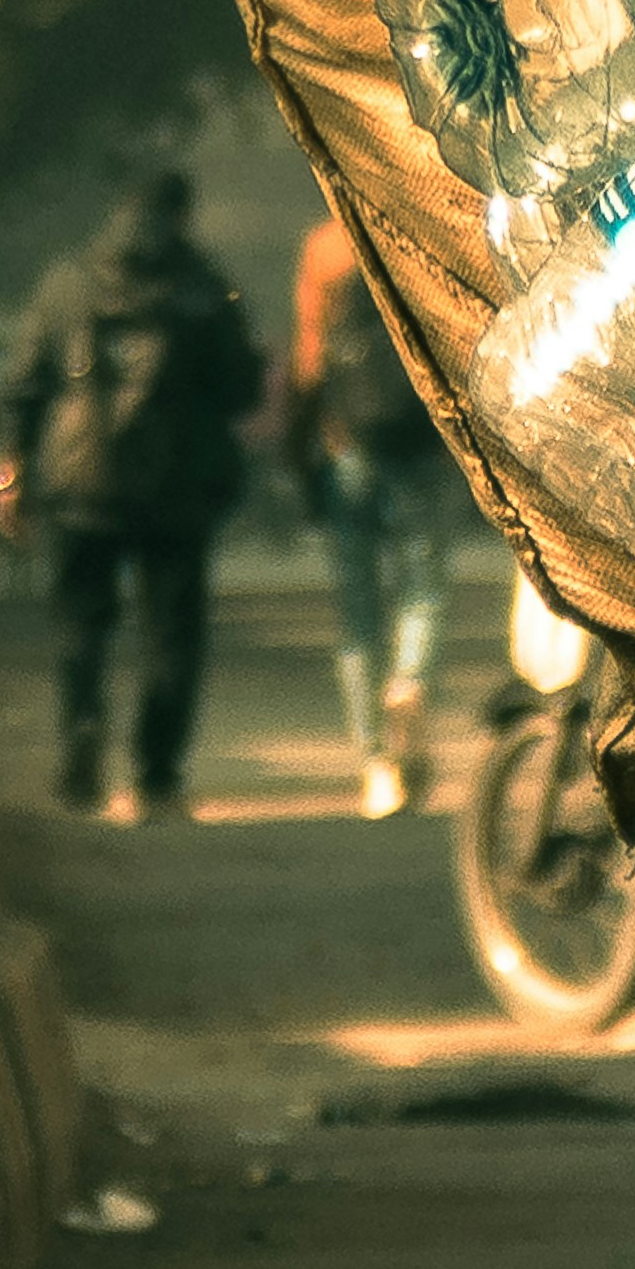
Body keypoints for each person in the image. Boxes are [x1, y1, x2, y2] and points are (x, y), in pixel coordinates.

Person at [0, 172, 257, 821]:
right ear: (181, 214)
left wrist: (9, 471)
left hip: (84, 481)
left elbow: (24, 383)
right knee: (172, 636)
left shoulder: (67, 281)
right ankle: (157, 776)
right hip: (178, 487)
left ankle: (82, 728)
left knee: (82, 619)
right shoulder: (204, 287)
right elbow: (241, 388)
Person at [271, 204, 463, 819]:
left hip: (346, 441)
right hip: (419, 441)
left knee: (357, 608)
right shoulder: (422, 230)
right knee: (424, 587)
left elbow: (309, 357)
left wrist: (299, 445)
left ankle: (377, 765)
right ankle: (409, 682)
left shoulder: (326, 247)